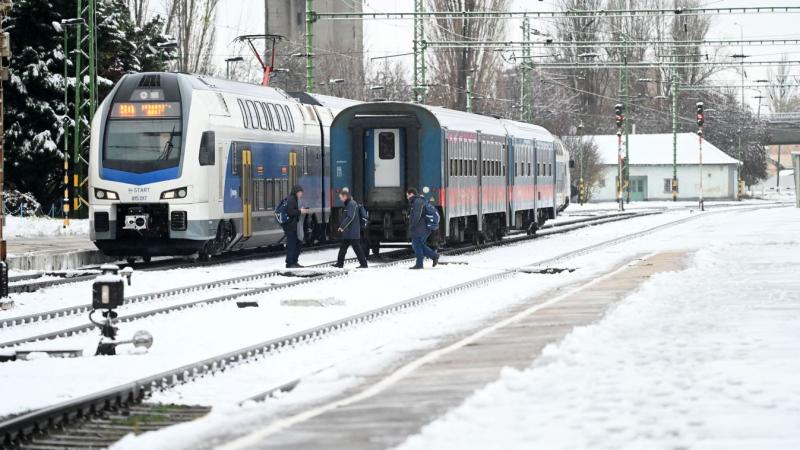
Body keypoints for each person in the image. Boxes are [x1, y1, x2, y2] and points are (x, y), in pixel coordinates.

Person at [333, 188, 368, 269]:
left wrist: (342, 227)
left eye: (340, 197)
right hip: (349, 232)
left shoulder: (351, 204)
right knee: (343, 248)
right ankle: (340, 263)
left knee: (357, 249)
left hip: (352, 232)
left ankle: (364, 264)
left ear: (345, 196)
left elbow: (350, 217)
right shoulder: (348, 204)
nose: (340, 199)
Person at [406, 187, 439, 270]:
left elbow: (417, 215)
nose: (407, 197)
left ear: (411, 194)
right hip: (421, 227)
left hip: (420, 228)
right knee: (418, 245)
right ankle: (434, 256)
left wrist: (412, 225)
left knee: (417, 245)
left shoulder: (417, 202)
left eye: (407, 195)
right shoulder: (417, 201)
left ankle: (420, 264)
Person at [284, 185, 309, 268]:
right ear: (296, 192)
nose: (301, 194)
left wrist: (300, 210)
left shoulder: (294, 199)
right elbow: (290, 211)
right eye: (300, 192)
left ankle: (294, 261)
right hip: (290, 226)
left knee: (296, 244)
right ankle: (290, 263)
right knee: (291, 245)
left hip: (293, 226)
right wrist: (300, 211)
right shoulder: (291, 199)